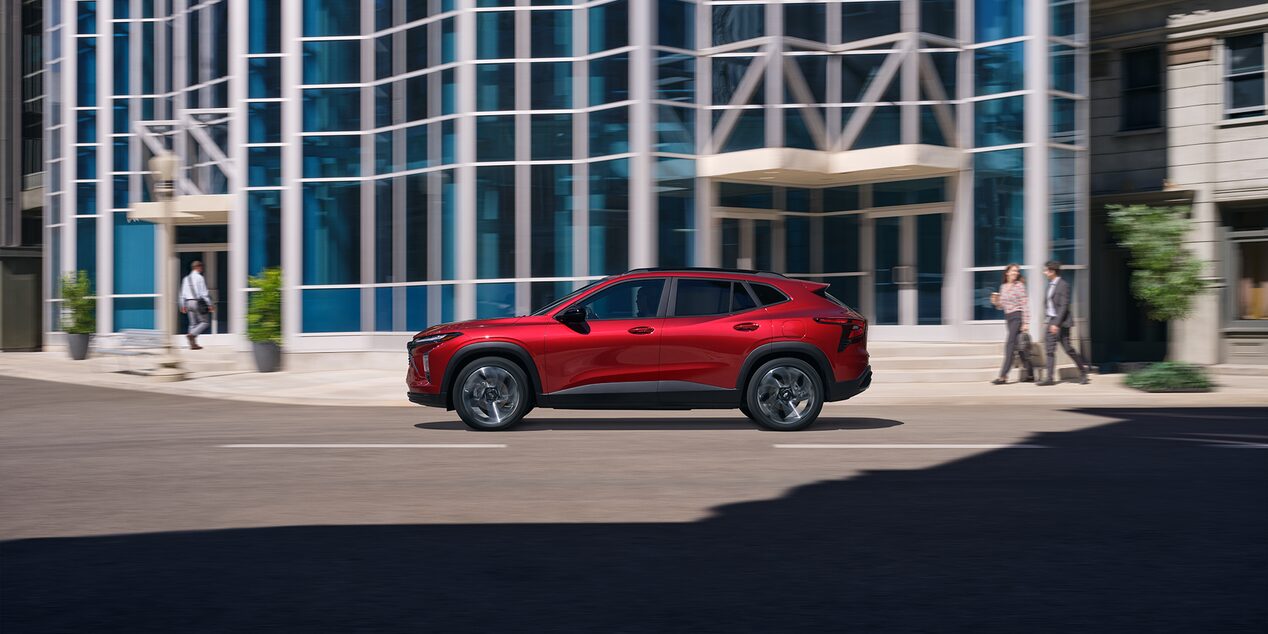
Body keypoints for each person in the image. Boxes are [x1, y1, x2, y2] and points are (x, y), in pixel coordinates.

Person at [1038, 260, 1089, 386]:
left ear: (1052, 271)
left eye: (1046, 270)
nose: (1044, 273)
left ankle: (1083, 372)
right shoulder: (1049, 285)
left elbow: (1064, 306)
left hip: (1062, 322)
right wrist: (1047, 320)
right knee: (1050, 350)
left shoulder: (1063, 285)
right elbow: (1049, 305)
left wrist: (1056, 323)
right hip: (1051, 321)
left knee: (1068, 349)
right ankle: (1049, 378)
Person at [990, 263, 1034, 384]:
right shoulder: (1003, 287)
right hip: (1008, 318)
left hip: (1017, 317)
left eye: (1017, 271)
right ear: (1007, 272)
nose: (1016, 273)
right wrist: (996, 302)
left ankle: (1003, 376)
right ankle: (1030, 374)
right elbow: (1002, 306)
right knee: (1019, 346)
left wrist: (1026, 322)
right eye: (1013, 271)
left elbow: (1024, 304)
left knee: (1009, 345)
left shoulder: (1019, 286)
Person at [179, 260, 215, 350]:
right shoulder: (199, 278)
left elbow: (182, 293)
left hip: (188, 302)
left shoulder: (186, 279)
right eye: (201, 267)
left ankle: (193, 345)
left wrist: (182, 305)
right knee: (205, 322)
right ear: (197, 267)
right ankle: (192, 334)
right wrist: (209, 304)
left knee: (192, 324)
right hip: (197, 302)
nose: (202, 269)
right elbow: (204, 293)